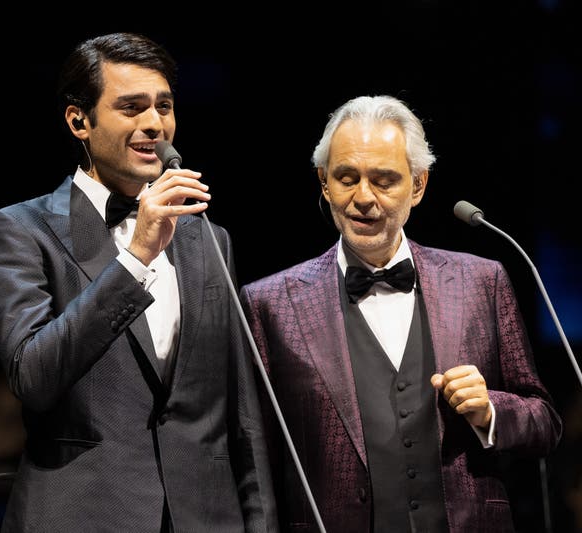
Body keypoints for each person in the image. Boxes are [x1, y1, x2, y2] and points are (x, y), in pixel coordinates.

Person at [0, 32, 278, 533]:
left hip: (206, 518)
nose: (155, 124)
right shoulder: (19, 231)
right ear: (79, 121)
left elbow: (242, 412)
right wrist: (137, 255)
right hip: (83, 515)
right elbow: (34, 379)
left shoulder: (209, 239)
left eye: (164, 106)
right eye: (131, 107)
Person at [239, 94, 563, 532]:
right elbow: (255, 462)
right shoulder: (269, 304)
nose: (363, 198)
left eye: (384, 179)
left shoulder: (481, 281)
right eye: (346, 178)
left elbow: (544, 422)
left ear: (418, 185)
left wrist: (490, 411)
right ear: (323, 182)